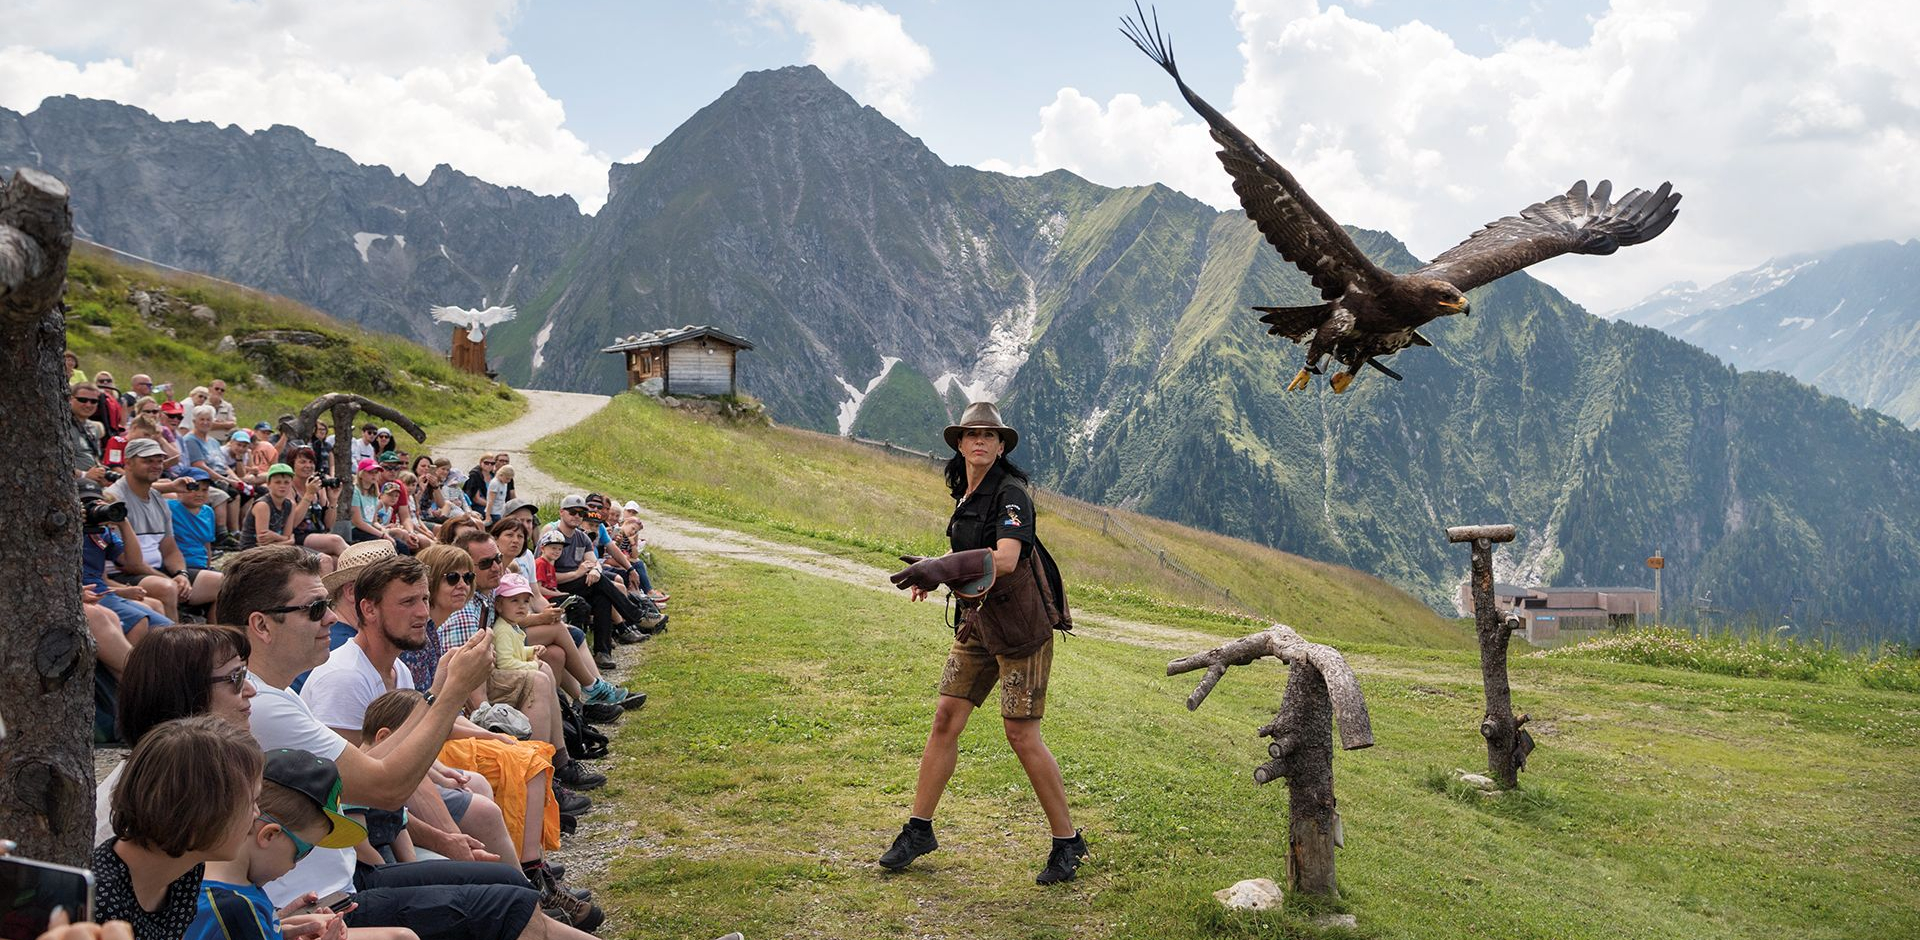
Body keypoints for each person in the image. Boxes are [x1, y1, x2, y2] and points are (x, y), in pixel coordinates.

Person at [213, 546, 602, 940]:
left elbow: (360, 769)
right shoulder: (263, 704)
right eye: (315, 608)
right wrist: (452, 693)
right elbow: (381, 786)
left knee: (509, 885)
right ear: (261, 626)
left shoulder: (275, 694)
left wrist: (436, 695)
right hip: (320, 903)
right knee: (507, 903)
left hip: (344, 878)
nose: (332, 617)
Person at [878, 401, 1088, 884]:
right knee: (945, 718)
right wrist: (937, 573)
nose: (980, 441)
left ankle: (1067, 842)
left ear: (1000, 446)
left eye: (989, 436)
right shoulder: (967, 494)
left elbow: (1008, 559)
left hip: (1021, 632)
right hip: (979, 624)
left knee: (1021, 734)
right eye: (971, 434)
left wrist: (941, 567)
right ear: (958, 443)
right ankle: (919, 828)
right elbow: (971, 563)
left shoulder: (1011, 496)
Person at [185, 749, 400, 940]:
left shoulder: (197, 879)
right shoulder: (237, 908)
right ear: (269, 835)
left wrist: (277, 925)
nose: (294, 866)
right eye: (302, 853)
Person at [92, 716, 264, 940]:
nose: (257, 813)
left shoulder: (185, 870)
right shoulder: (97, 904)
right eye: (251, 801)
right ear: (203, 811)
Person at [108, 438, 222, 618]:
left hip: (157, 570)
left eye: (159, 461)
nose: (156, 465)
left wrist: (181, 574)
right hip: (124, 576)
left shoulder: (158, 499)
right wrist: (168, 579)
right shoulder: (113, 499)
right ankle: (172, 642)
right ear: (128, 463)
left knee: (222, 582)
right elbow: (127, 563)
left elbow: (170, 549)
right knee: (167, 588)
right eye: (148, 461)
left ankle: (217, 639)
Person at [167, 469, 219, 573]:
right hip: (180, 566)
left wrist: (208, 566)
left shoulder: (208, 512)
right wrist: (169, 486)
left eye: (204, 490)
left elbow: (207, 544)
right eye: (193, 489)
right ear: (179, 490)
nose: (199, 494)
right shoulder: (168, 507)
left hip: (202, 565)